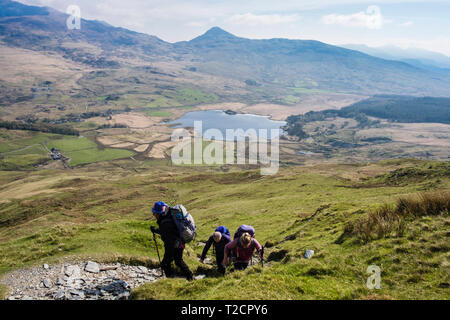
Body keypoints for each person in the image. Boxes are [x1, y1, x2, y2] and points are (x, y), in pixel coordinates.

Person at [150, 201, 194, 281]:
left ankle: (171, 280)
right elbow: (167, 231)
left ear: (159, 213)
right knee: (178, 261)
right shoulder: (169, 216)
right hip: (180, 242)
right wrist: (156, 230)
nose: (153, 215)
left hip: (173, 244)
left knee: (165, 264)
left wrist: (167, 256)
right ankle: (190, 277)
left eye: (154, 213)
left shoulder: (165, 222)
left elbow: (168, 237)